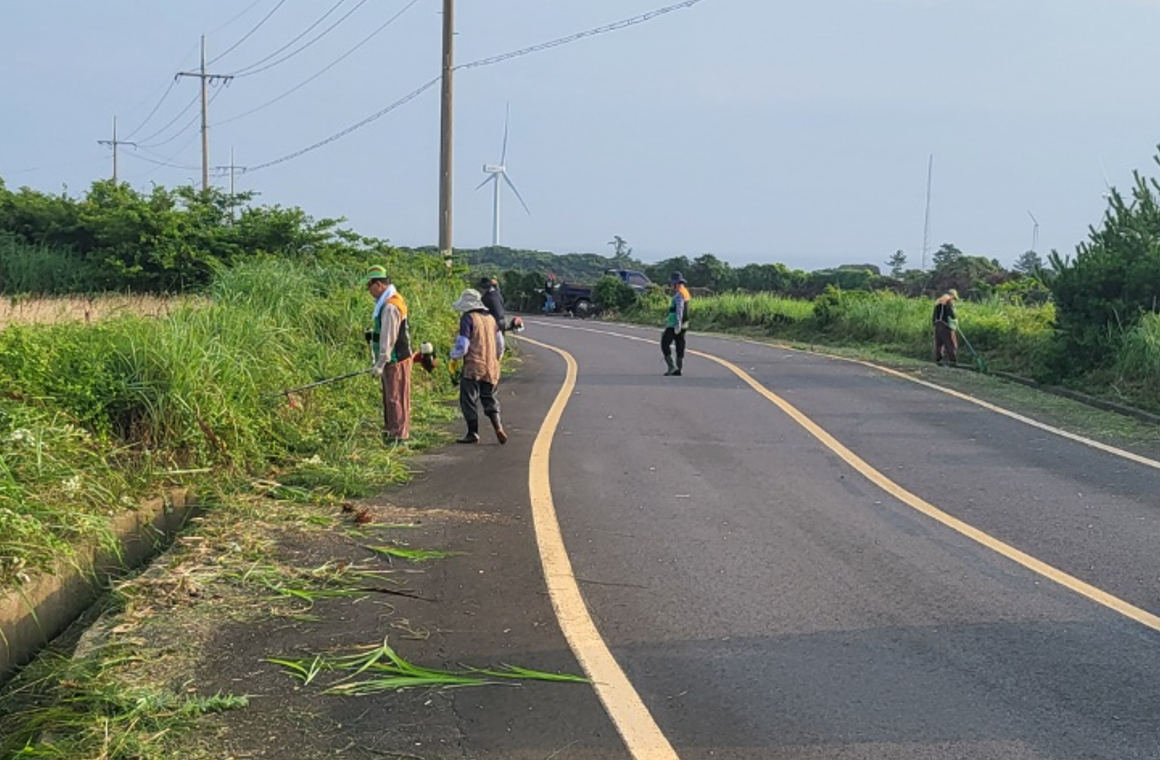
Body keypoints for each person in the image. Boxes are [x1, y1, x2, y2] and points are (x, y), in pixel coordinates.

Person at [448, 288, 507, 444]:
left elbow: (463, 344)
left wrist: (454, 356)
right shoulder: (491, 319)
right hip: (491, 366)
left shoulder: (468, 318)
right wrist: (496, 359)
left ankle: (472, 433)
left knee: (468, 399)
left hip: (473, 365)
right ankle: (498, 427)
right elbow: (500, 344)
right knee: (489, 398)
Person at [364, 265, 412, 442]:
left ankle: (399, 436)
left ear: (378, 284)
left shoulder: (391, 306)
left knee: (396, 398)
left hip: (396, 359)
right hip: (390, 359)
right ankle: (392, 431)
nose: (368, 290)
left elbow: (388, 339)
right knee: (390, 397)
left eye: (368, 286)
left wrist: (380, 363)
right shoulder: (386, 302)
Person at [661, 272, 691, 376]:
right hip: (684, 324)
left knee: (665, 343)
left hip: (675, 324)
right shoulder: (685, 292)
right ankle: (679, 368)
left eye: (672, 283)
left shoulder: (679, 294)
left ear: (676, 283)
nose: (671, 285)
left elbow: (679, 310)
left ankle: (672, 367)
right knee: (680, 344)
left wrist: (677, 325)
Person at [932, 288, 959, 365]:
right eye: (954, 298)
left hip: (937, 324)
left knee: (939, 343)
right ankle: (952, 360)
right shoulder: (948, 300)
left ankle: (938, 359)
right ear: (952, 295)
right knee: (950, 342)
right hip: (945, 324)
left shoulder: (938, 300)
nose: (954, 299)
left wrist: (934, 323)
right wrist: (955, 319)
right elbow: (952, 313)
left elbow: (934, 314)